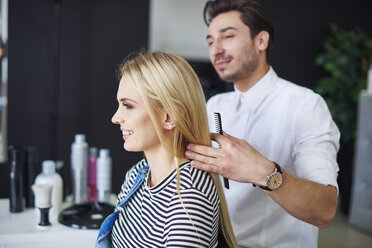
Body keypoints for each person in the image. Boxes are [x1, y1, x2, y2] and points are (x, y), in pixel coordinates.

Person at [184, 0, 340, 247]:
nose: (216, 50)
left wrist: (262, 171)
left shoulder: (306, 105)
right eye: (211, 41)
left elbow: (325, 210)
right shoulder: (216, 106)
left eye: (228, 36)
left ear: (261, 41)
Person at [109, 51, 238, 247]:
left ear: (168, 117)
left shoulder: (189, 197)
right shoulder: (137, 175)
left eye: (128, 105)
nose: (115, 118)